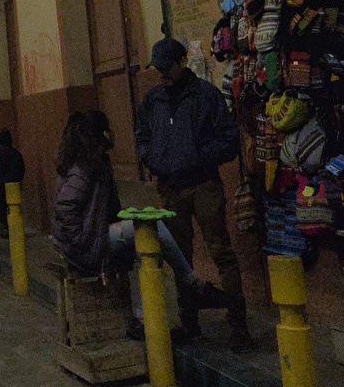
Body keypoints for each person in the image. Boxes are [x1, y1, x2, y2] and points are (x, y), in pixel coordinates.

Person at [52, 110, 223, 339]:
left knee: (145, 250)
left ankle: (141, 320)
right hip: (85, 246)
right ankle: (193, 285)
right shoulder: (83, 167)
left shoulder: (92, 162)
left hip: (90, 240)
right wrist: (82, 241)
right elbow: (65, 207)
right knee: (151, 228)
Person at [135, 36, 251, 351]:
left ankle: (238, 327)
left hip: (204, 185)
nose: (161, 74)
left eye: (166, 67)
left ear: (182, 63)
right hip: (170, 188)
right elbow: (142, 135)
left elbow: (229, 140)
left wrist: (197, 157)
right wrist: (151, 157)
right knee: (179, 258)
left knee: (221, 252)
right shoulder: (153, 100)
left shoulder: (206, 96)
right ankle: (190, 324)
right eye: (157, 68)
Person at [0, 129, 26, 240]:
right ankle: (15, 228)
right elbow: (22, 169)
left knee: (2, 206)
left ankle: (4, 227)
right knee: (14, 208)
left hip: (1, 185)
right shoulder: (16, 153)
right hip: (13, 184)